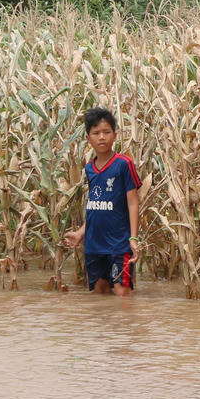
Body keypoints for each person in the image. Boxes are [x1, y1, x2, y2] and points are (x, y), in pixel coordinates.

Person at [63, 107, 142, 295]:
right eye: (96, 133)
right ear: (88, 138)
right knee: (99, 293)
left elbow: (133, 202)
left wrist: (133, 239)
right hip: (94, 244)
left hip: (119, 243)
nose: (101, 137)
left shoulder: (124, 164)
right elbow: (96, 205)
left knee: (122, 292)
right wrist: (81, 233)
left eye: (106, 132)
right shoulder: (89, 168)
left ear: (115, 135)